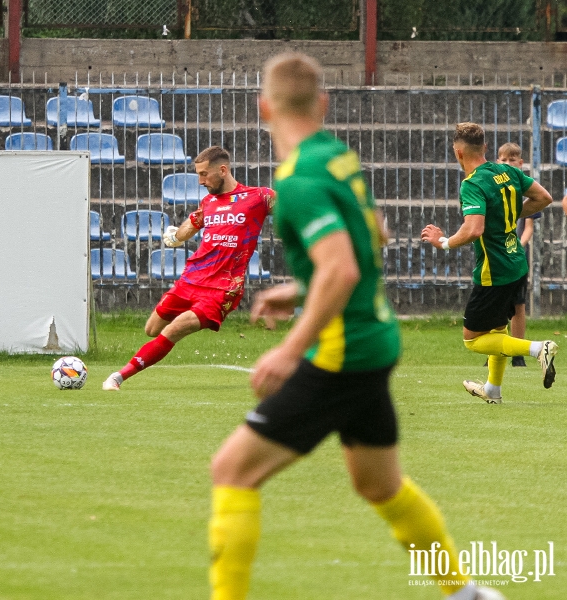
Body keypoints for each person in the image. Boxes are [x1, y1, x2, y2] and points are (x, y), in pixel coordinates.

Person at [207, 52, 504, 600]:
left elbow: (342, 267)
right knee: (379, 484)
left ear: (263, 108)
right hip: (377, 339)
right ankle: (467, 594)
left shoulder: (296, 182)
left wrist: (290, 348)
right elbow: (375, 240)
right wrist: (299, 287)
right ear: (322, 104)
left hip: (343, 352)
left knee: (232, 470)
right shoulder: (339, 157)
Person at [102, 146, 274, 390]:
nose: (201, 181)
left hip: (222, 288)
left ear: (223, 170)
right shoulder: (208, 202)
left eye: (204, 174)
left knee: (176, 328)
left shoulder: (259, 197)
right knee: (152, 329)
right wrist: (175, 237)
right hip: (191, 279)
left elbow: (294, 208)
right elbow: (191, 225)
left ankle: (118, 377)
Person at [421, 123, 556, 403]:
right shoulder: (508, 171)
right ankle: (493, 390)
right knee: (497, 329)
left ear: (458, 153)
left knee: (472, 338)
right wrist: (506, 214)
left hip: (494, 270)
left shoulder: (472, 183)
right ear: (485, 148)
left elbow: (473, 230)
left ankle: (538, 348)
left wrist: (443, 242)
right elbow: (544, 198)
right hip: (516, 262)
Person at [482, 142, 541, 368]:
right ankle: (495, 353)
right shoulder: (493, 188)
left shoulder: (526, 189)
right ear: (497, 161)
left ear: (520, 163)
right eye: (503, 160)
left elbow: (528, 229)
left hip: (515, 256)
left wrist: (516, 245)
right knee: (494, 305)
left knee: (518, 305)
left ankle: (518, 353)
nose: (507, 163)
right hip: (496, 256)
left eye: (512, 160)